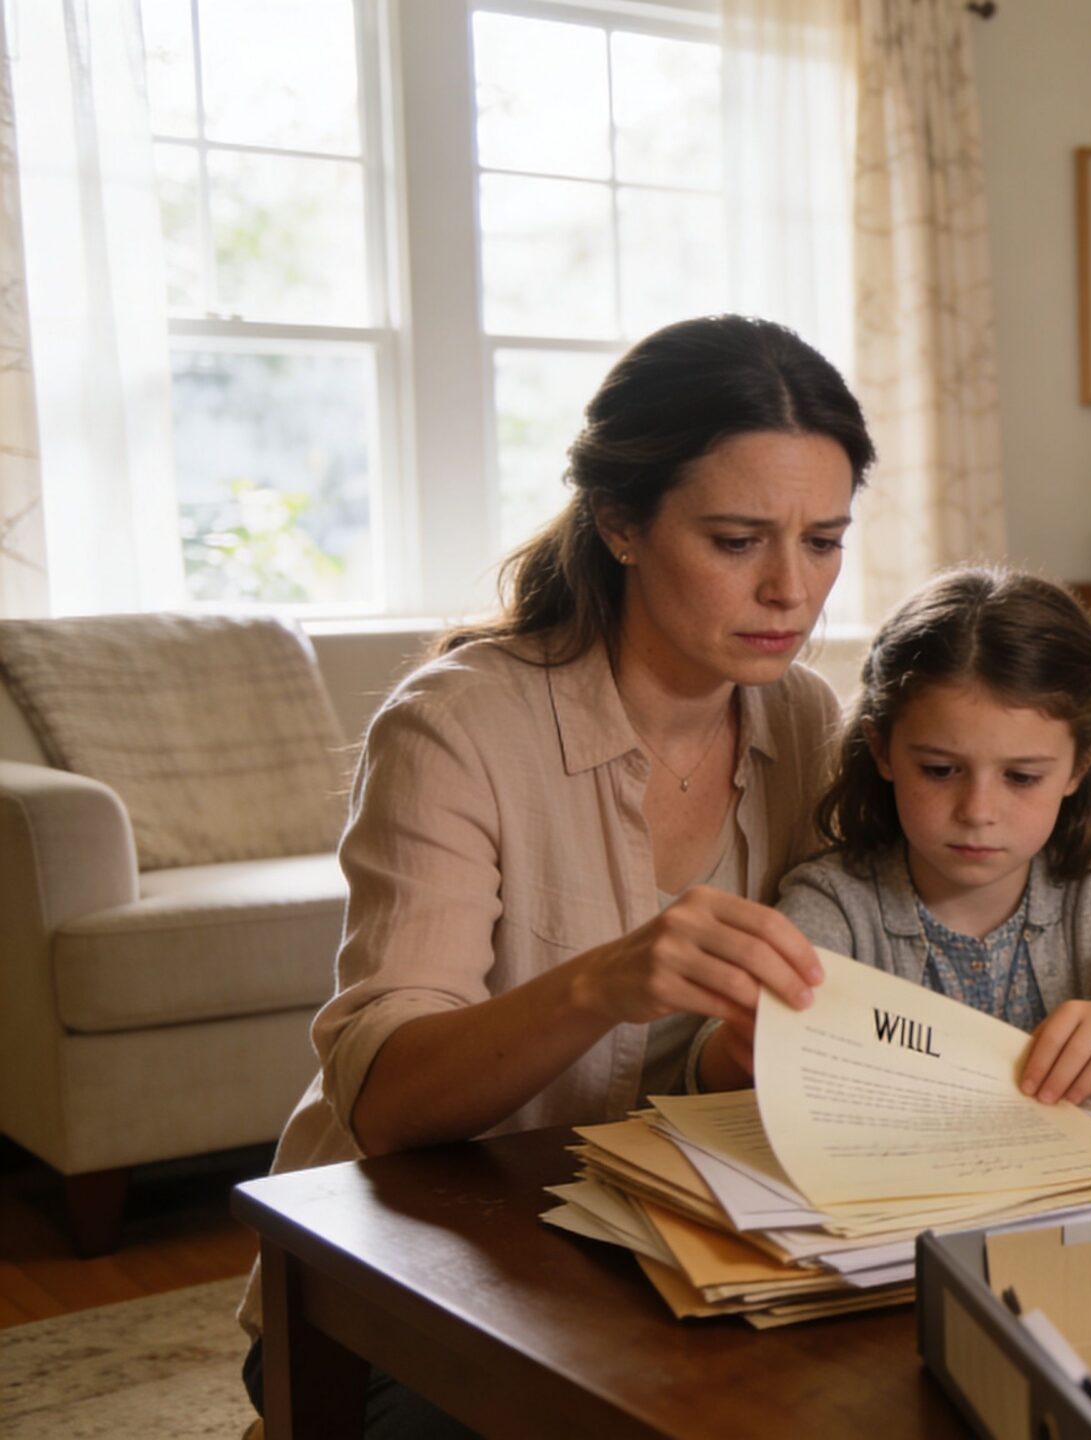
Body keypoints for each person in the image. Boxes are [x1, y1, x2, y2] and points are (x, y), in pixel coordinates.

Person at [238, 314, 875, 1435]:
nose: (791, 588)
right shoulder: (456, 727)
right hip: (421, 1256)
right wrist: (601, 984)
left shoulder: (806, 718)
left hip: (677, 1229)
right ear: (621, 522)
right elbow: (385, 1104)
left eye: (823, 541)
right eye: (737, 541)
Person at [775, 567, 1091, 1101]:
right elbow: (738, 1048)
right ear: (882, 750)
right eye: (940, 770)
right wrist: (762, 1035)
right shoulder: (835, 902)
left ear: (1078, 769)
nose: (978, 811)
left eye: (1022, 777)